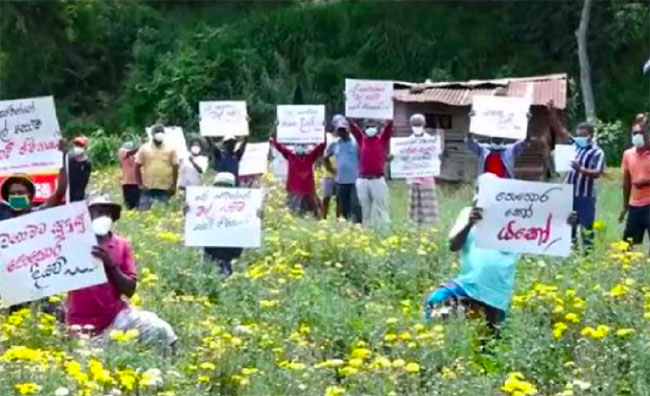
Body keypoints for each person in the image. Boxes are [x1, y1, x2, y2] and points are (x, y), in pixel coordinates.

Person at [424, 173, 577, 332]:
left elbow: (546, 232)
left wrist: (565, 223)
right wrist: (470, 223)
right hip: (468, 284)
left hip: (496, 292)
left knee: (489, 340)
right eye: (480, 191)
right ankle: (431, 338)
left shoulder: (515, 216)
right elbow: (453, 246)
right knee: (436, 300)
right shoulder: (467, 213)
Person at [66, 195, 177, 349]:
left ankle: (165, 365)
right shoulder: (72, 243)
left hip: (116, 316)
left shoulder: (121, 245)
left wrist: (111, 265)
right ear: (87, 215)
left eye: (107, 212)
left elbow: (130, 289)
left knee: (160, 329)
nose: (103, 216)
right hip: (80, 323)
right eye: (98, 211)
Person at [547, 102, 605, 249]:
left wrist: (581, 170)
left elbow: (597, 173)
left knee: (586, 228)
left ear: (590, 136)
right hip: (569, 194)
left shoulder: (597, 152)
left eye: (583, 136)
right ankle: (570, 252)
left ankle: (587, 254)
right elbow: (561, 131)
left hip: (585, 196)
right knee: (568, 226)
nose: (579, 138)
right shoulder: (575, 146)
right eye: (578, 135)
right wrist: (552, 113)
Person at [349, 119, 394, 226]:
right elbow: (353, 129)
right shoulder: (362, 140)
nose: (370, 129)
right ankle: (366, 230)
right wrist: (350, 117)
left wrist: (389, 120)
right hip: (363, 180)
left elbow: (388, 129)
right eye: (368, 127)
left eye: (373, 126)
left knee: (381, 207)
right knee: (365, 208)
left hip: (377, 179)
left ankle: (384, 231)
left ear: (377, 128)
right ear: (364, 129)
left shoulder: (382, 140)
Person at [270, 134, 326, 217]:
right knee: (294, 212)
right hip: (295, 189)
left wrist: (322, 133)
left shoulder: (309, 157)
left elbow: (321, 146)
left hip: (307, 189)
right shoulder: (291, 156)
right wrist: (273, 139)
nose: (300, 151)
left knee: (314, 211)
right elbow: (280, 147)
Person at [203, 173, 244, 276]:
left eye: (226, 186)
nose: (222, 189)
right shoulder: (206, 201)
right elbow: (195, 218)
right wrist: (188, 210)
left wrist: (258, 215)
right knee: (210, 266)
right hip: (211, 243)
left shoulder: (241, 203)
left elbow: (250, 219)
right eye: (219, 185)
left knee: (225, 265)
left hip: (230, 245)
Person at [325, 115, 361, 222]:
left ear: (348, 129)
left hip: (355, 180)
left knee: (355, 204)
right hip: (340, 181)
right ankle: (346, 224)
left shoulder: (356, 142)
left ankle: (358, 224)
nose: (341, 132)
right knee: (343, 206)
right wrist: (331, 169)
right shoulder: (335, 144)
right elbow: (325, 157)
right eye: (339, 130)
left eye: (343, 130)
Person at [135, 124, 179, 210]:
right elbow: (137, 166)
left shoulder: (171, 149)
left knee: (163, 213)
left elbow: (175, 167)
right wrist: (139, 184)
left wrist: (174, 185)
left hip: (165, 187)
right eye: (157, 132)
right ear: (152, 134)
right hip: (148, 187)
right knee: (144, 211)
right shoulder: (144, 148)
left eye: (161, 132)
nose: (159, 134)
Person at [619, 123, 650, 246]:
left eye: (640, 133)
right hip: (635, 204)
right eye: (635, 133)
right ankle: (624, 264)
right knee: (628, 243)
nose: (637, 136)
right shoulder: (628, 154)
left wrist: (646, 181)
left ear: (647, 135)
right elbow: (627, 181)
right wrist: (625, 206)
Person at [406, 114, 440, 226]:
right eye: (415, 124)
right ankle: (414, 231)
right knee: (414, 210)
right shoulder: (406, 142)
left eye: (419, 124)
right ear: (411, 125)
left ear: (424, 124)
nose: (417, 126)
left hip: (427, 179)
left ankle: (430, 231)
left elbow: (436, 156)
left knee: (429, 209)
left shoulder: (430, 141)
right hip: (413, 179)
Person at [46, 136, 92, 206]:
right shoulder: (69, 158)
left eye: (80, 145)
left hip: (76, 194)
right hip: (67, 193)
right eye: (77, 144)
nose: (78, 147)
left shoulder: (86, 163)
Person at [321, 125, 339, 219]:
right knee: (326, 197)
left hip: (342, 174)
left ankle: (339, 218)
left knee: (340, 199)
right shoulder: (327, 136)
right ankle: (323, 218)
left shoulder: (345, 138)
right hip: (328, 173)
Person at [119, 140, 140, 210]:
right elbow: (129, 152)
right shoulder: (122, 151)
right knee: (128, 203)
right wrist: (140, 148)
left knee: (137, 202)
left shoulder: (136, 156)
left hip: (136, 182)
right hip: (126, 182)